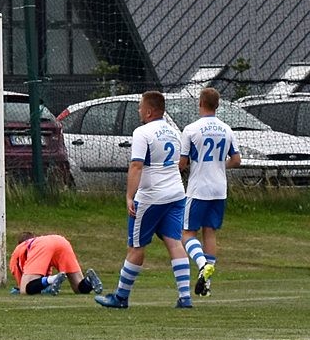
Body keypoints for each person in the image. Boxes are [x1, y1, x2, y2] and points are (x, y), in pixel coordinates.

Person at [96, 91, 194, 309]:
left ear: (149, 111)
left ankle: (121, 297)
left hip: (151, 197)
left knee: (136, 246)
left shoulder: (142, 132)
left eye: (141, 107)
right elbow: (180, 163)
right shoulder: (173, 132)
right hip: (176, 193)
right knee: (174, 242)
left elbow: (136, 165)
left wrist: (129, 196)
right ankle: (185, 296)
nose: (139, 110)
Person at [179, 87, 241, 297]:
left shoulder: (191, 129)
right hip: (219, 188)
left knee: (187, 233)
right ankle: (206, 285)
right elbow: (236, 160)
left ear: (200, 103)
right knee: (210, 232)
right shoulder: (226, 129)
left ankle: (202, 264)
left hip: (199, 188)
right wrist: (220, 165)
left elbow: (182, 163)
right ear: (218, 105)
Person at [8, 232, 102, 295]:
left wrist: (20, 288)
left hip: (43, 245)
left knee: (25, 289)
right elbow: (41, 279)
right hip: (61, 241)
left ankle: (53, 278)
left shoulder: (20, 249)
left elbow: (23, 287)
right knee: (78, 288)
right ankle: (89, 280)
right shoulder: (39, 246)